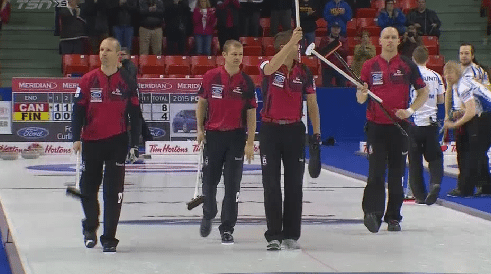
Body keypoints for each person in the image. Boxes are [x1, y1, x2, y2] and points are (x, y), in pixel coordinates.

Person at [71, 37, 141, 253]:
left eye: (108, 50)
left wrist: (134, 144)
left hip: (117, 142)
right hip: (91, 142)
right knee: (88, 189)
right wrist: (75, 137)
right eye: (101, 49)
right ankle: (90, 227)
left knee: (113, 191)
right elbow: (77, 111)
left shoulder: (127, 82)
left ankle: (109, 237)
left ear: (118, 54)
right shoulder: (87, 80)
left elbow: (136, 115)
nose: (103, 53)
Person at [357, 27, 428, 233]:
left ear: (398, 41)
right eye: (386, 37)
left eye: (393, 38)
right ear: (380, 41)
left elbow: (423, 92)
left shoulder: (407, 65)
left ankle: (394, 217)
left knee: (397, 175)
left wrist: (410, 110)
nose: (389, 41)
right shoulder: (369, 66)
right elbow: (360, 98)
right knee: (376, 172)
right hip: (376, 127)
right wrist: (362, 93)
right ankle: (372, 213)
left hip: (400, 128)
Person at [259, 28, 321, 250]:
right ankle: (274, 234)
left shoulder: (304, 72)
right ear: (284, 46)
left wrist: (317, 133)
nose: (299, 48)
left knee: (294, 185)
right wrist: (290, 42)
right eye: (296, 45)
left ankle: (291, 234)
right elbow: (270, 69)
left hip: (295, 130)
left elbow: (312, 104)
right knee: (272, 185)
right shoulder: (268, 65)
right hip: (270, 131)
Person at [196, 40, 257, 245]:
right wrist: (199, 129)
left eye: (240, 54)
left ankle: (227, 228)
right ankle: (208, 213)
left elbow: (251, 114)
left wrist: (250, 141)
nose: (237, 57)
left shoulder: (247, 82)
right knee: (209, 182)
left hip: (236, 137)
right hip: (214, 136)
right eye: (234, 54)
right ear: (224, 54)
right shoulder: (210, 77)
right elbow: (202, 104)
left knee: (232, 186)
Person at [446, 43, 490, 197]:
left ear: (472, 55)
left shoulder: (474, 71)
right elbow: (451, 91)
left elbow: (479, 95)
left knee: (470, 153)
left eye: (466, 53)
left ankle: (466, 187)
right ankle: (483, 186)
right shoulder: (458, 71)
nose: (463, 56)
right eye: (461, 53)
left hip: (476, 116)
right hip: (467, 114)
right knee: (473, 152)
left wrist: (459, 114)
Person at [407, 46, 444, 205]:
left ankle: (420, 195)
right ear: (428, 59)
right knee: (435, 157)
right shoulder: (436, 76)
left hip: (414, 123)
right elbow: (441, 100)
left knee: (414, 161)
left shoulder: (409, 76)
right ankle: (435, 182)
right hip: (431, 123)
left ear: (413, 60)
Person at [318, 21, 348, 87]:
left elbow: (345, 51)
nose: (336, 29)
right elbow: (321, 52)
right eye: (334, 28)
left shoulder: (343, 40)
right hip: (327, 67)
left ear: (340, 29)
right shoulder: (325, 39)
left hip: (340, 67)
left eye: (337, 28)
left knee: (342, 88)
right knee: (326, 88)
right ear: (331, 28)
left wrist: (334, 44)